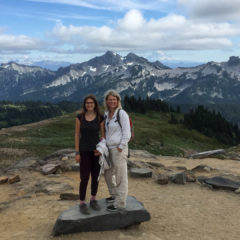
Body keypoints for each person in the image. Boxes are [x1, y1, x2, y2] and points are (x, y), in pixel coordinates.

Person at [75, 94, 105, 215]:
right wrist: (77, 152)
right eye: (87, 103)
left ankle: (93, 199)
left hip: (96, 151)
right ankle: (82, 202)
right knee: (84, 177)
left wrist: (102, 149)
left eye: (91, 103)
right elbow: (77, 135)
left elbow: (103, 136)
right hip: (83, 151)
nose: (89, 105)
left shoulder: (100, 118)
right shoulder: (79, 117)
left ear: (95, 104)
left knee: (95, 176)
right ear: (85, 105)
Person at [103, 90, 131, 212]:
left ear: (118, 101)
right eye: (110, 100)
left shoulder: (122, 114)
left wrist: (121, 146)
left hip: (119, 148)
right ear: (106, 101)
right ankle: (114, 195)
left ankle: (120, 203)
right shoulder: (106, 114)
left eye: (114, 99)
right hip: (108, 149)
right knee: (108, 174)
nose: (112, 101)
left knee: (120, 176)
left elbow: (127, 132)